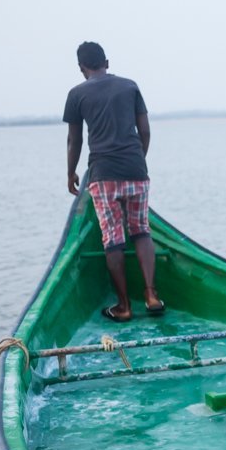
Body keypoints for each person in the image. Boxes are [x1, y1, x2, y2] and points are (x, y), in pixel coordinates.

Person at [64, 41, 163, 322]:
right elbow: (144, 130)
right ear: (106, 62)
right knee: (141, 230)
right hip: (135, 168)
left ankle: (123, 306)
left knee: (113, 239)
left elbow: (75, 139)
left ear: (82, 68)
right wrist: (137, 160)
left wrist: (70, 172)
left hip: (104, 174)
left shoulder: (76, 93)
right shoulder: (130, 86)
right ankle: (151, 294)